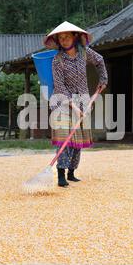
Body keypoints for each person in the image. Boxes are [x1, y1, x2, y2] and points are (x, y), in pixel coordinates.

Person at [43, 21, 108, 187]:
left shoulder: (84, 53)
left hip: (83, 101)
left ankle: (72, 172)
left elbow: (100, 61)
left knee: (77, 139)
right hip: (63, 103)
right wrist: (74, 107)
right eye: (61, 38)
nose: (64, 40)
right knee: (65, 137)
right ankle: (60, 174)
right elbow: (59, 86)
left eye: (66, 37)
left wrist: (103, 80)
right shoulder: (57, 60)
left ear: (75, 37)